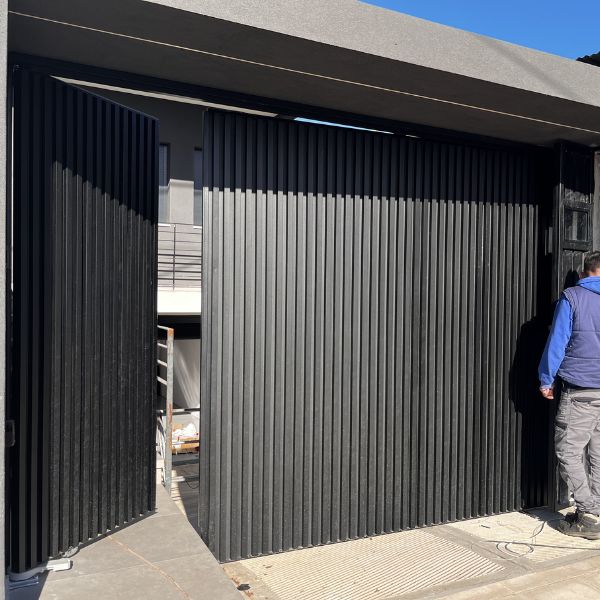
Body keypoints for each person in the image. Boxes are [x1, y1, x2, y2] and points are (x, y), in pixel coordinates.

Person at [539, 250, 600, 539]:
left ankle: (587, 514)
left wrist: (546, 379)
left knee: (568, 451)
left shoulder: (572, 297)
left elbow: (558, 341)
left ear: (583, 272)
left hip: (579, 391)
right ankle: (595, 511)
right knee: (597, 453)